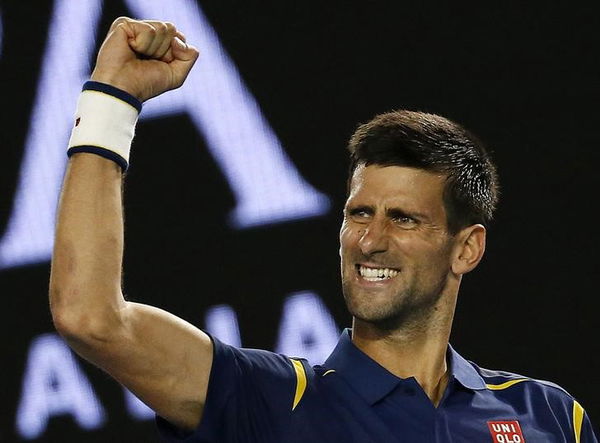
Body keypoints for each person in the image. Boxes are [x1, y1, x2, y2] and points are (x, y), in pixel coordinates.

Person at [49, 17, 597, 443]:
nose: (370, 239)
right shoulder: (265, 399)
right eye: (360, 213)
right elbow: (90, 316)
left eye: (403, 218)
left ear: (467, 248)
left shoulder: (547, 415)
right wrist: (111, 101)